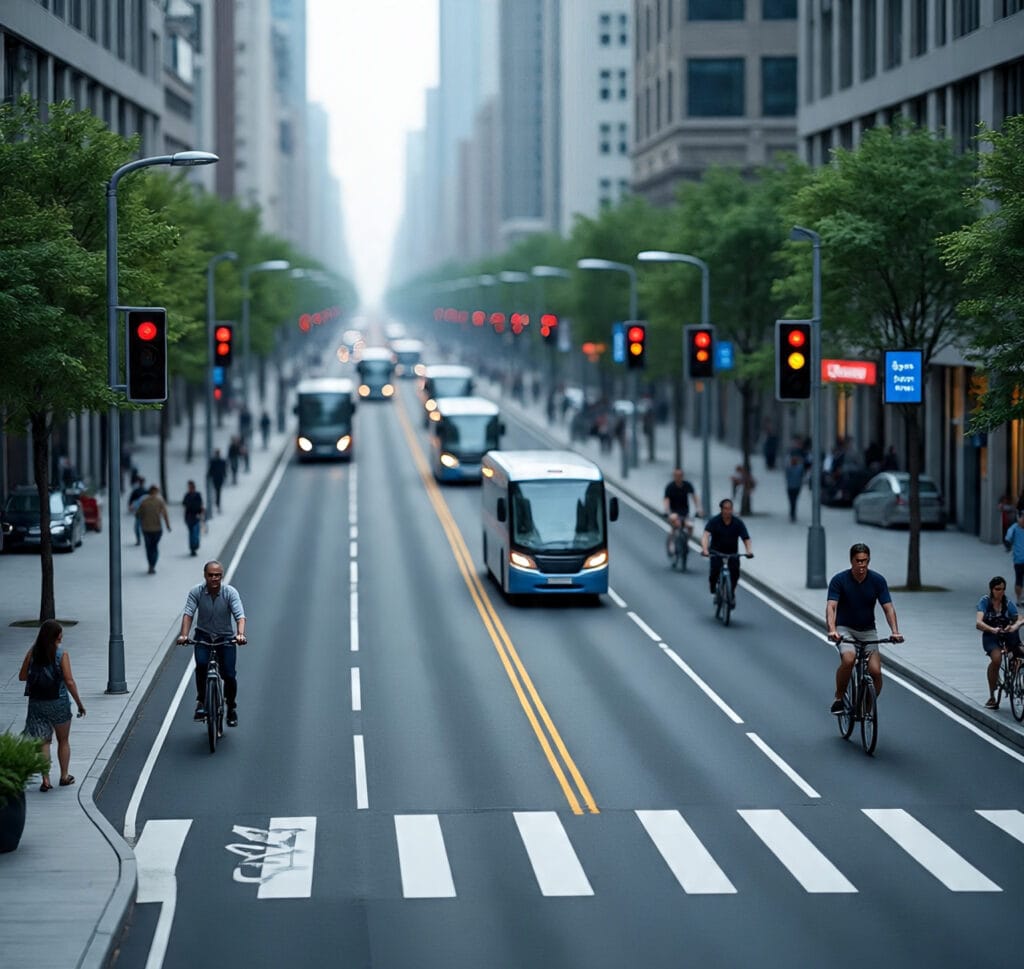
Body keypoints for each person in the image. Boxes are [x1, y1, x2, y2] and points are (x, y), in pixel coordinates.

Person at [826, 543, 904, 714]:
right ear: (851, 561)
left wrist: (895, 632)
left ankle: (866, 709)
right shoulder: (839, 580)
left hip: (868, 631)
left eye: (865, 561)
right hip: (845, 629)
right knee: (848, 659)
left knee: (876, 672)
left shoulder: (877, 580)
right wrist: (832, 630)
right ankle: (839, 698)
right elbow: (831, 607)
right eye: (858, 561)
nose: (862, 565)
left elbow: (888, 607)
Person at [176, 560, 247, 727]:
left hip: (226, 638)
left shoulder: (230, 593)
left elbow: (240, 616)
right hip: (203, 636)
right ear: (205, 575)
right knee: (201, 665)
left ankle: (231, 707)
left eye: (218, 575)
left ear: (221, 576)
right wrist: (184, 635)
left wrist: (240, 635)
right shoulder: (196, 592)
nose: (214, 578)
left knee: (229, 675)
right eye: (211, 575)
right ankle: (201, 701)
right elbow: (188, 613)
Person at [18, 619, 86, 791]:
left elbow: (22, 676)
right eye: (60, 634)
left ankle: (46, 779)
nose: (62, 637)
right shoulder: (61, 654)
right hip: (58, 702)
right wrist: (79, 704)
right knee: (63, 740)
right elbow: (69, 681)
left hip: (37, 703)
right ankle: (64, 776)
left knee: (44, 742)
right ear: (56, 636)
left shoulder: (32, 652)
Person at [975, 575, 1024, 709]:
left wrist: (1014, 626)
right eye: (997, 589)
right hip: (991, 635)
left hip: (1007, 634)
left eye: (1003, 589)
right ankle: (992, 696)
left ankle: (1015, 673)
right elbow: (978, 623)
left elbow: (1019, 618)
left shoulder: (1007, 602)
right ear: (991, 589)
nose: (1000, 592)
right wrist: (991, 629)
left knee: (1020, 652)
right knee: (996, 659)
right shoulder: (985, 602)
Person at [701, 499, 753, 603]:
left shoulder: (738, 523)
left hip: (732, 554)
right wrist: (705, 549)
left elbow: (746, 538)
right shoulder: (714, 521)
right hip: (716, 553)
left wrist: (748, 551)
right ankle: (713, 589)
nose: (728, 511)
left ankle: (731, 593)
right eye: (726, 509)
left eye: (730, 509)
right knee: (714, 573)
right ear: (721, 509)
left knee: (735, 574)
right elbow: (706, 535)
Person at [663, 467, 703, 558]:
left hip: (685, 512)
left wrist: (698, 509)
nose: (678, 477)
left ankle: (686, 542)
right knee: (675, 525)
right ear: (674, 476)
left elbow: (694, 497)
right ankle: (671, 544)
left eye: (680, 475)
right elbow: (666, 500)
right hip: (674, 512)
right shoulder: (670, 487)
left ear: (682, 476)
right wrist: (667, 511)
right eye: (676, 475)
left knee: (690, 526)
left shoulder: (687, 485)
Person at [136, 485, 171, 574]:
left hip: (146, 529)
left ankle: (151, 565)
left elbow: (138, 514)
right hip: (157, 528)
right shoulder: (160, 501)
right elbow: (165, 514)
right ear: (155, 492)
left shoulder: (144, 501)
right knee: (154, 547)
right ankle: (153, 563)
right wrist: (168, 526)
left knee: (148, 547)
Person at [1004, 509, 1024, 606]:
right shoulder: (1014, 528)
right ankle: (1019, 599)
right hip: (1019, 559)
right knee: (1019, 579)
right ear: (1019, 518)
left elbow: (1007, 539)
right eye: (1023, 517)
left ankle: (1021, 598)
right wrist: (1008, 545)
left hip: (1018, 559)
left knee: (1019, 579)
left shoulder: (1014, 528)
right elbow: (1008, 538)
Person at [181, 480, 205, 557]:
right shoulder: (187, 496)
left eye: (191, 487)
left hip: (196, 516)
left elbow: (201, 505)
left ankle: (195, 545)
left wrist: (201, 514)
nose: (190, 488)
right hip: (189, 517)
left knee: (196, 533)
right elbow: (184, 505)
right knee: (191, 533)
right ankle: (192, 549)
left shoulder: (197, 495)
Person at [784, 451, 807, 522]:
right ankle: (792, 514)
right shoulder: (790, 468)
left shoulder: (799, 468)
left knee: (793, 501)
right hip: (791, 487)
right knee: (792, 501)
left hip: (795, 487)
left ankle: (792, 514)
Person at [127, 476, 147, 546]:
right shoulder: (141, 491)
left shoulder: (145, 491)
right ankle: (139, 540)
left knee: (139, 528)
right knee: (138, 528)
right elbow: (131, 500)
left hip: (143, 512)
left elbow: (130, 500)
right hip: (140, 512)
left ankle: (140, 540)